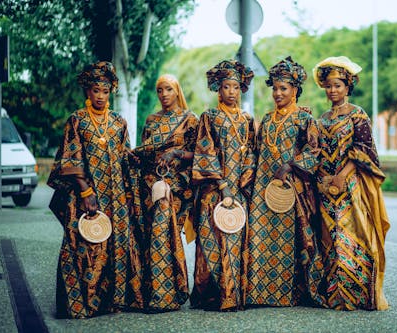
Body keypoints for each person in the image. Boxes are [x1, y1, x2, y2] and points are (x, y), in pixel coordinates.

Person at [47, 61, 143, 318]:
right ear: (87, 92)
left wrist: (142, 158)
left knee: (114, 244)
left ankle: (111, 302)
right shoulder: (77, 120)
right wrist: (85, 192)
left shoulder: (118, 122)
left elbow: (124, 154)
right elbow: (70, 158)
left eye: (105, 90)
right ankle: (82, 304)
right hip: (88, 196)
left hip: (116, 196)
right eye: (95, 90)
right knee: (87, 245)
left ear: (111, 91)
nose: (100, 96)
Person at [311, 56, 390, 310]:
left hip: (350, 188)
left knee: (353, 236)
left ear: (348, 87)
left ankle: (356, 295)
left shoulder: (358, 114)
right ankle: (334, 295)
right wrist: (323, 179)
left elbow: (364, 150)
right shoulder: (322, 119)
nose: (333, 90)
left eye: (338, 85)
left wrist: (342, 176)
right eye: (329, 85)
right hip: (326, 190)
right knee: (329, 239)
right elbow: (317, 152)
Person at [245, 56, 322, 307]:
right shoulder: (266, 120)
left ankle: (289, 294)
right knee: (260, 236)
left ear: (295, 90)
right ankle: (260, 294)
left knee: (291, 241)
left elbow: (314, 151)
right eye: (275, 88)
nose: (277, 93)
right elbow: (255, 153)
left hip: (291, 188)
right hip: (262, 189)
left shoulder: (305, 119)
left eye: (283, 88)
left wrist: (290, 165)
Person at [190, 59, 256, 311]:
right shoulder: (210, 117)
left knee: (234, 240)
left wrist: (243, 182)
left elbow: (251, 152)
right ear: (219, 89)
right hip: (213, 191)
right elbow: (204, 151)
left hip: (238, 191)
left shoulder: (247, 120)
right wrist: (222, 185)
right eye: (227, 86)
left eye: (236, 87)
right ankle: (211, 296)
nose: (232, 91)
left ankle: (233, 294)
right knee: (212, 240)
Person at [130, 74, 199, 312]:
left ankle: (165, 296)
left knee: (163, 230)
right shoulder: (151, 120)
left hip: (177, 185)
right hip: (150, 183)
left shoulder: (190, 119)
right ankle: (152, 292)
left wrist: (177, 154)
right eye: (160, 90)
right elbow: (144, 150)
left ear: (177, 90)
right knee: (151, 235)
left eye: (168, 89)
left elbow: (200, 153)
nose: (163, 95)